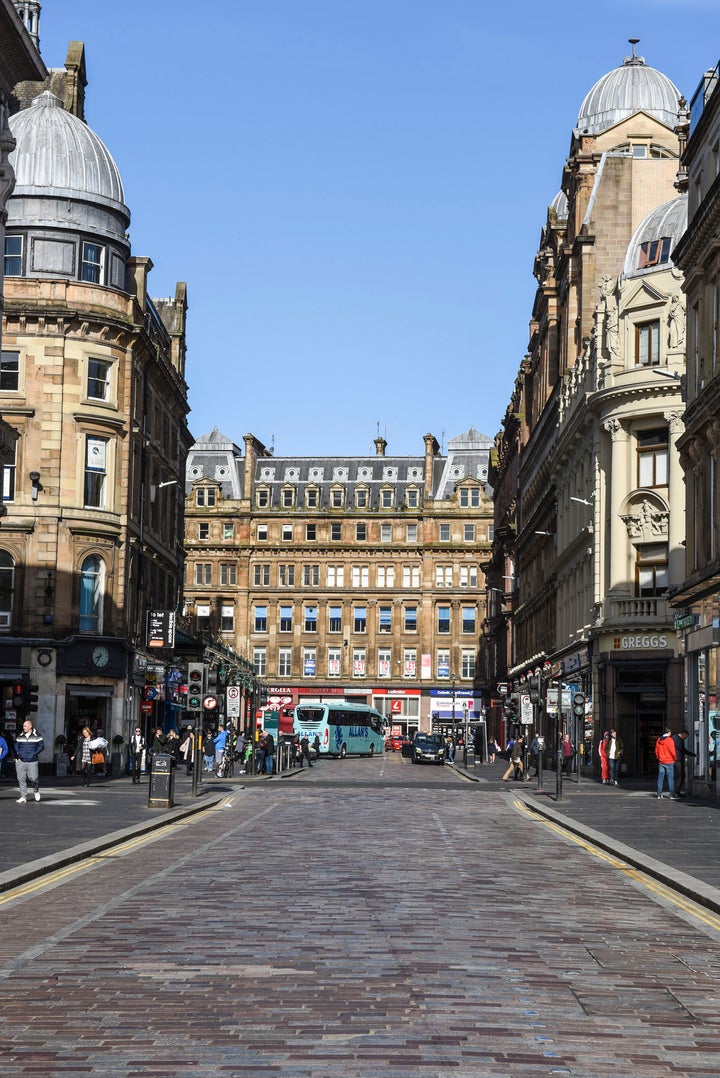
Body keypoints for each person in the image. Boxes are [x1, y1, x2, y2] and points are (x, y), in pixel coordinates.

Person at [14, 718, 44, 803]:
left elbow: (41, 746)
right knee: (21, 779)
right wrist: (18, 752)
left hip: (32, 761)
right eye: (23, 726)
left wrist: (34, 754)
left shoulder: (37, 735)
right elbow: (16, 745)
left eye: (25, 726)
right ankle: (23, 797)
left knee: (34, 778)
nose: (23, 727)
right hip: (21, 761)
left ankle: (36, 791)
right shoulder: (20, 735)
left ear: (30, 726)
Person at [672, 729, 695, 797]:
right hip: (677, 760)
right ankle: (676, 791)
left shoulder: (675, 738)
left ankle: (677, 792)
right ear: (683, 734)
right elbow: (681, 748)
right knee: (681, 776)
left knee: (680, 776)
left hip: (676, 760)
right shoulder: (677, 738)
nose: (686, 738)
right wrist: (692, 754)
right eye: (686, 736)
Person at [656, 728, 678, 799]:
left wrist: (659, 758)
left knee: (660, 778)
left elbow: (656, 750)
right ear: (669, 732)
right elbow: (673, 751)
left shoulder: (659, 740)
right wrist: (675, 759)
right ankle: (671, 795)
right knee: (670, 778)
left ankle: (659, 794)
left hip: (661, 761)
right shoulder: (670, 740)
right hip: (669, 761)